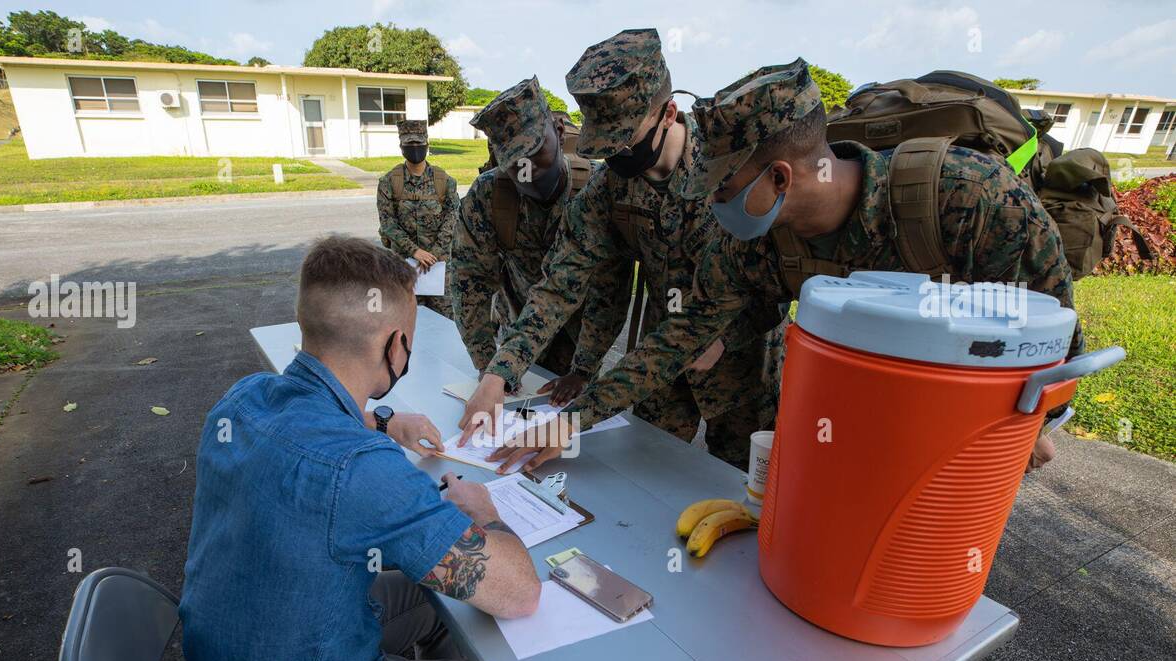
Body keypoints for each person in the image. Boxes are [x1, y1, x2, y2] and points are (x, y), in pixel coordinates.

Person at [489, 58, 1077, 473]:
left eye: (721, 189)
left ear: (779, 178)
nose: (712, 204)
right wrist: (574, 419)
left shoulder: (967, 196)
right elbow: (677, 339)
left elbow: (1055, 333)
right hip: (854, 402)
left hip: (965, 408)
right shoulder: (748, 243)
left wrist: (1030, 428)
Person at [179, 235, 547, 661]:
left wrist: (381, 417)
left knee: (429, 600)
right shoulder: (360, 470)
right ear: (396, 344)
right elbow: (520, 592)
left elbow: (321, 424)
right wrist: (483, 512)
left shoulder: (241, 399)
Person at [457, 28, 784, 470]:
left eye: (624, 138)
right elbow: (561, 284)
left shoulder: (732, 167)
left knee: (740, 479)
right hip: (656, 361)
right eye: (605, 144)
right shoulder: (607, 188)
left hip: (742, 365)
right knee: (643, 465)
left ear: (668, 113)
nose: (615, 155)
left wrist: (726, 337)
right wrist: (499, 373)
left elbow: (777, 277)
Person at [452, 78, 632, 381]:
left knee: (567, 424)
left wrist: (584, 369)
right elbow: (468, 284)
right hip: (517, 336)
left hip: (581, 340)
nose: (528, 171)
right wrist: (487, 366)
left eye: (536, 152)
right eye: (514, 162)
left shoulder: (597, 189)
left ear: (559, 133)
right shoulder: (488, 196)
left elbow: (611, 289)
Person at [376, 119, 460, 316]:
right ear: (401, 147)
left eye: (419, 144)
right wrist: (415, 251)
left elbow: (453, 219)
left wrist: (434, 254)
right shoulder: (389, 181)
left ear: (427, 145)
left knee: (444, 325)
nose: (415, 148)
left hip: (439, 269)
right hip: (404, 266)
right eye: (409, 144)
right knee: (404, 321)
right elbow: (388, 223)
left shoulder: (444, 180)